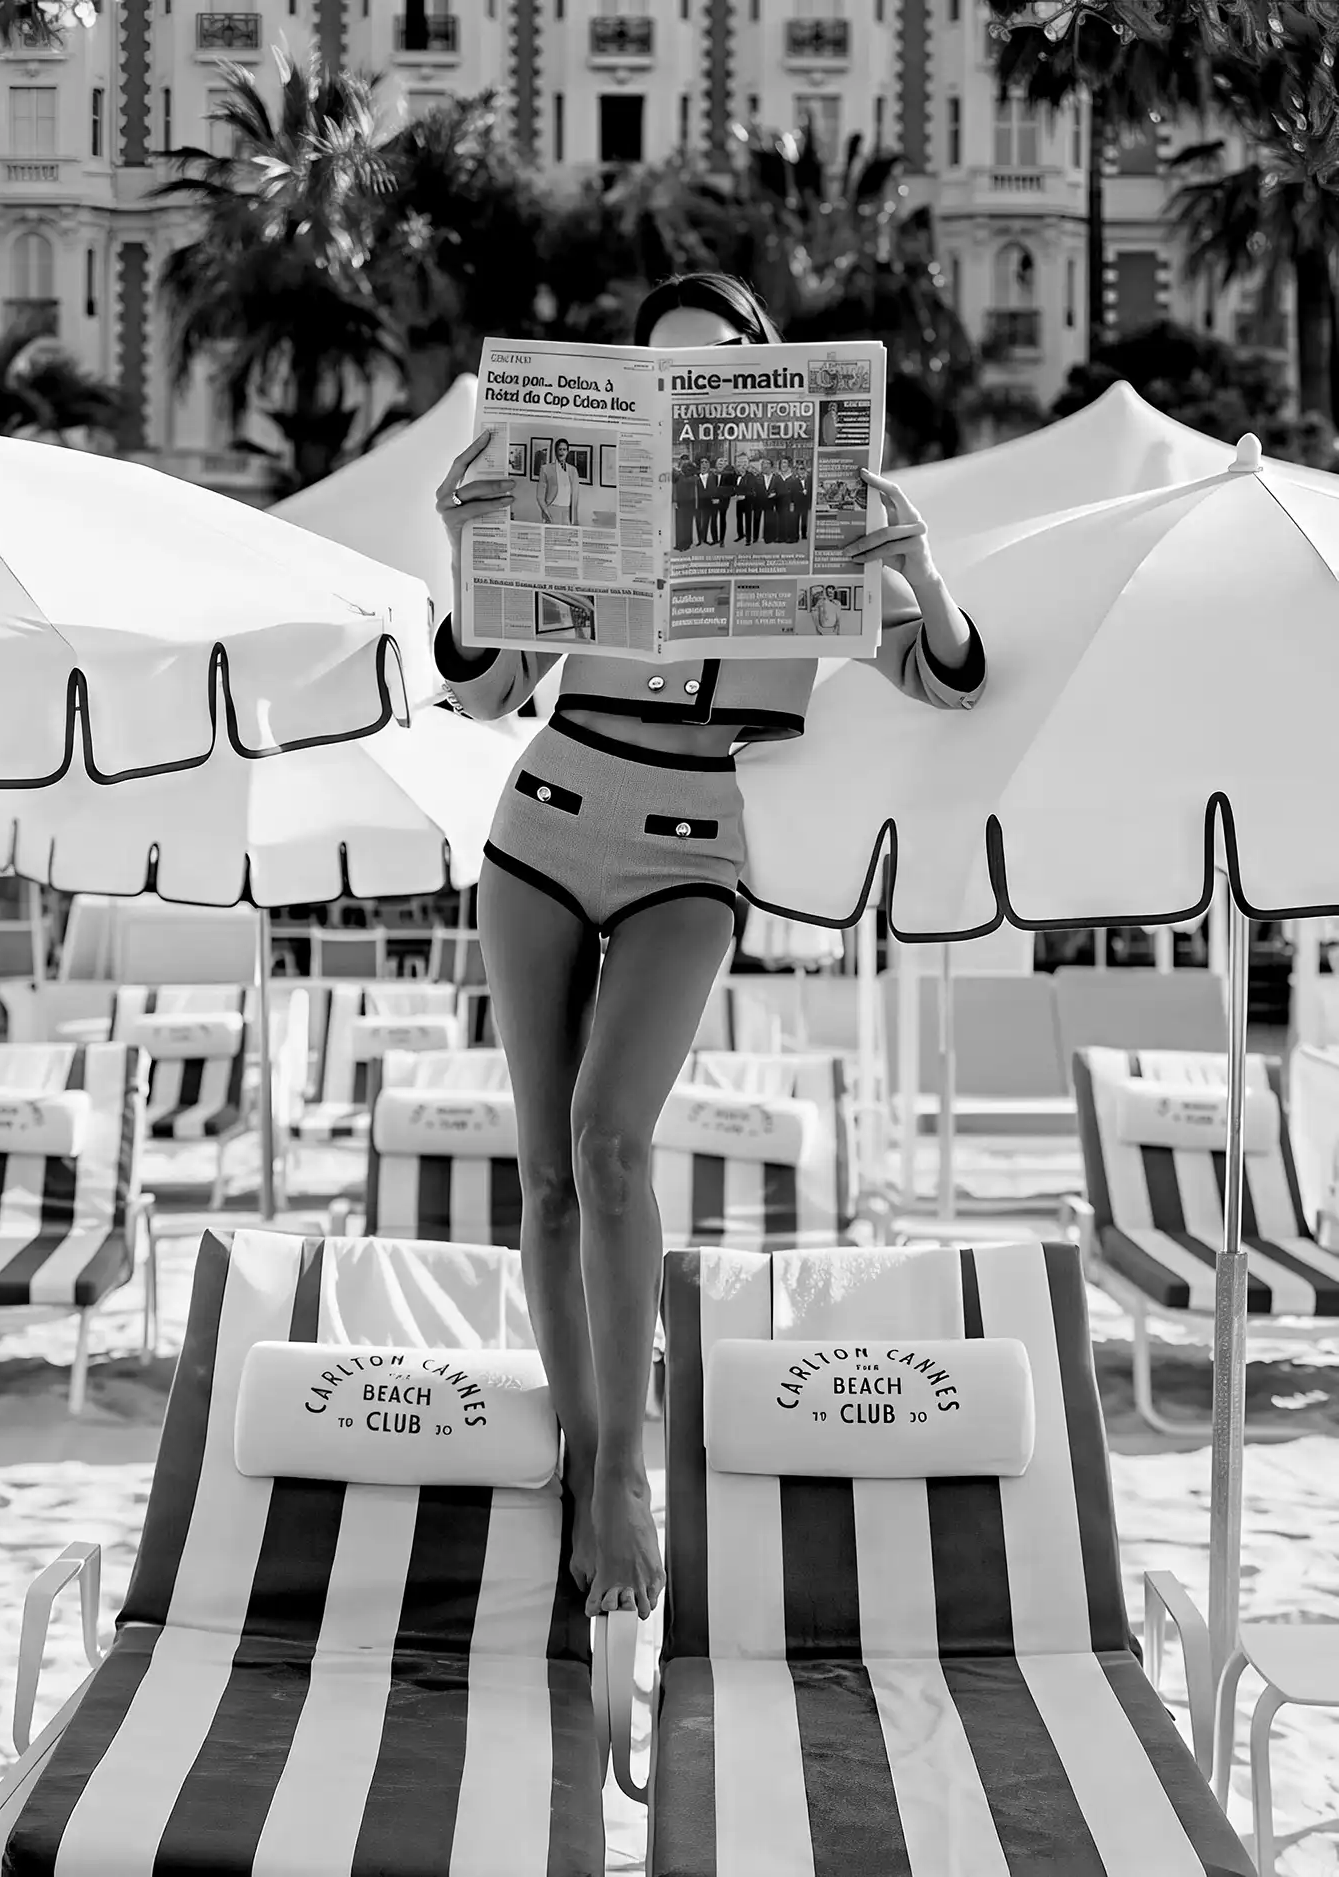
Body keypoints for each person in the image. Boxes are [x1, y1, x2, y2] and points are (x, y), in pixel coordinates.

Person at [430, 270, 988, 1621]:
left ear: (760, 375)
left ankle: (626, 1471)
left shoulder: (821, 518)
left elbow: (951, 675)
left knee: (615, 1140)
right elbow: (481, 684)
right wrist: (473, 548)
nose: (685, 398)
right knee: (550, 1177)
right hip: (539, 834)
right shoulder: (589, 495)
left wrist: (914, 563)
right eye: (661, 376)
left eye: (710, 372)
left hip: (691, 856)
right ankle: (580, 1458)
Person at [539, 438, 581, 524]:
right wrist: (546, 512)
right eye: (560, 449)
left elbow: (575, 496)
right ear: (556, 451)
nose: (562, 452)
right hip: (552, 509)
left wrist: (575, 518)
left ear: (567, 452)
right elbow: (539, 496)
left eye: (564, 449)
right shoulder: (546, 469)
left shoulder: (573, 470)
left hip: (567, 511)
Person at [671, 450, 697, 551]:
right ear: (680, 462)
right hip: (680, 501)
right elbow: (674, 487)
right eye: (683, 461)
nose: (685, 463)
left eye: (687, 461)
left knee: (688, 522)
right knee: (680, 523)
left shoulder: (692, 474)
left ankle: (688, 542)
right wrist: (674, 500)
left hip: (690, 501)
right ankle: (681, 544)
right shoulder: (676, 473)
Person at [738, 456, 767, 543]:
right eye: (751, 468)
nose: (753, 470)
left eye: (754, 469)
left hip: (759, 500)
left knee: (757, 518)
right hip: (750, 501)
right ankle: (751, 536)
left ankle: (755, 536)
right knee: (751, 519)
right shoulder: (748, 477)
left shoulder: (760, 477)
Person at [694, 455, 717, 545]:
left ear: (709, 465)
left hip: (710, 501)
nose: (704, 464)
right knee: (698, 520)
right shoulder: (695, 477)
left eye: (706, 462)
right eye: (702, 462)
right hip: (698, 502)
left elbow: (717, 489)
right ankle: (699, 539)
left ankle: (707, 538)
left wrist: (716, 498)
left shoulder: (713, 476)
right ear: (699, 465)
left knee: (708, 520)